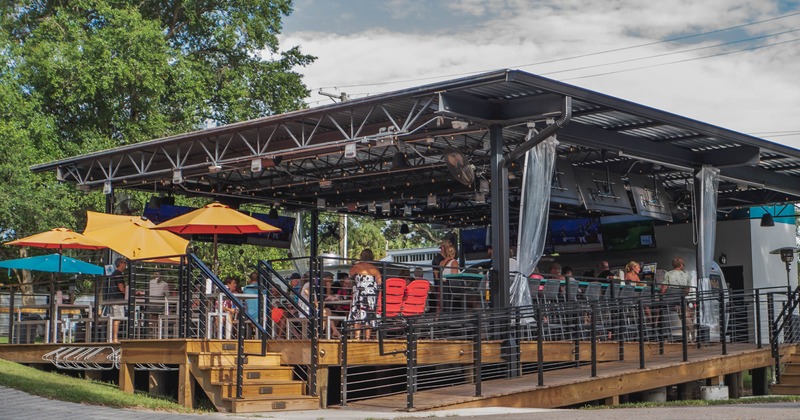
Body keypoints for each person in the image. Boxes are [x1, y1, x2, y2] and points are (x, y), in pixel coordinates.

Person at [348, 249, 380, 339]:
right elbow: (379, 282)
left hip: (359, 293)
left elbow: (349, 277)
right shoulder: (374, 269)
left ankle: (357, 337)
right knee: (368, 315)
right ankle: (367, 337)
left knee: (357, 314)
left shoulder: (357, 267)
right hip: (370, 295)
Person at [103, 258, 127, 342]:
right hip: (118, 300)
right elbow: (121, 288)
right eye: (124, 263)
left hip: (113, 299)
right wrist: (127, 293)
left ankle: (112, 338)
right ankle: (115, 338)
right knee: (117, 319)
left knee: (114, 319)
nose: (125, 265)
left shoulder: (113, 274)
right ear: (120, 263)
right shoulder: (118, 274)